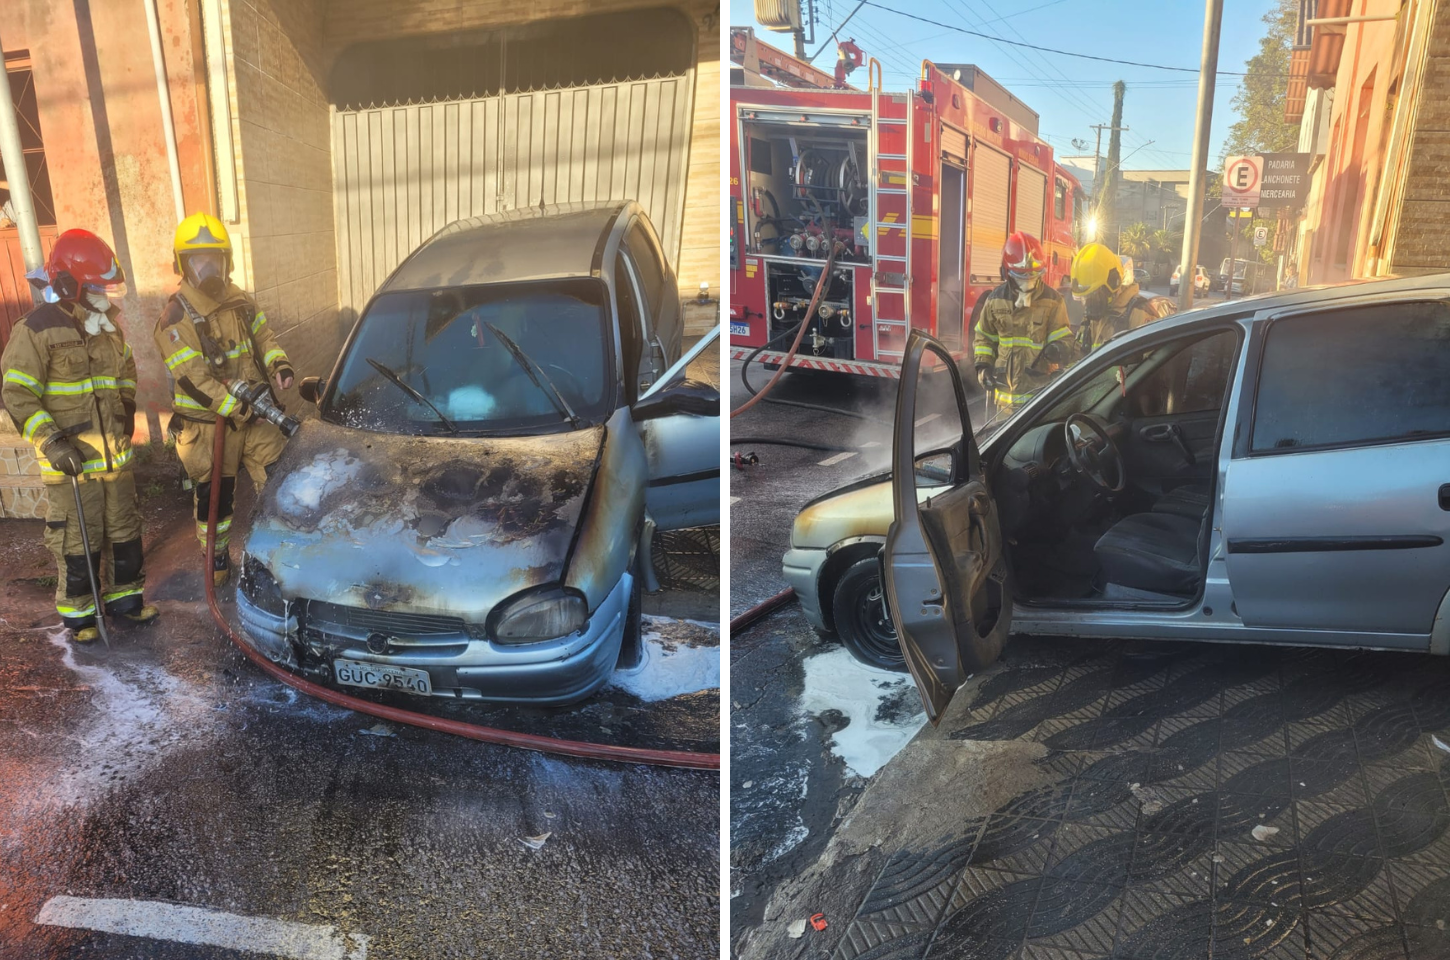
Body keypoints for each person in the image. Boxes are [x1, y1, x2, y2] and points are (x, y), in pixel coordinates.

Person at [1, 229, 159, 641]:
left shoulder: (107, 328)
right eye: (96, 287)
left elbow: (125, 372)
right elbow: (17, 393)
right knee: (78, 540)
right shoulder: (36, 330)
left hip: (114, 460)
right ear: (69, 285)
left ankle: (126, 601)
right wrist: (51, 442)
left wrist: (125, 411)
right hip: (72, 464)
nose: (105, 296)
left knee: (124, 531)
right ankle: (82, 617)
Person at [154, 213, 293, 587]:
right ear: (183, 265)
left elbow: (265, 338)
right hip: (209, 426)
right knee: (218, 499)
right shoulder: (175, 316)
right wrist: (240, 408)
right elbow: (195, 380)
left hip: (253, 416)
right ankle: (216, 563)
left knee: (283, 480)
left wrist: (278, 364)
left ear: (226, 261)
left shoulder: (241, 301)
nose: (207, 269)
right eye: (198, 262)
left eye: (214, 260)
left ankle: (286, 556)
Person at [971, 231, 1075, 416]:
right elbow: (984, 337)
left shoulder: (1053, 301)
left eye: (1033, 276)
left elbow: (1064, 338)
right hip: (1004, 404)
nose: (1027, 283)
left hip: (1039, 400)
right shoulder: (995, 300)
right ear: (1006, 273)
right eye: (1021, 278)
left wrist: (1058, 349)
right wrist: (983, 367)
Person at [1069, 243, 1176, 353]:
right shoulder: (1096, 316)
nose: (1088, 304)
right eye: (1084, 298)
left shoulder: (1137, 315)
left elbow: (1145, 366)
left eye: (1093, 296)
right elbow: (1082, 354)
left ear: (1113, 283)